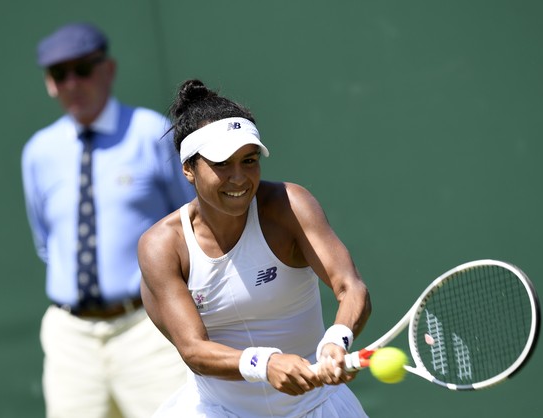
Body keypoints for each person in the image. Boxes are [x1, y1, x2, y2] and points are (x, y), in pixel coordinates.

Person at [138, 79, 372, 417]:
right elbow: (193, 350)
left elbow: (351, 287)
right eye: (222, 164)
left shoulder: (291, 206)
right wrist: (265, 363)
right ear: (188, 169)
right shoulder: (163, 245)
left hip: (318, 407)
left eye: (249, 161)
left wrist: (338, 338)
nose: (239, 178)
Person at [21, 23, 195, 418]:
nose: (71, 84)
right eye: (58, 74)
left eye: (82, 69)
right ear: (49, 83)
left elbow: (190, 224)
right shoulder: (38, 152)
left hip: (148, 328)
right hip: (71, 339)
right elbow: (46, 242)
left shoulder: (151, 132)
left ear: (109, 69)